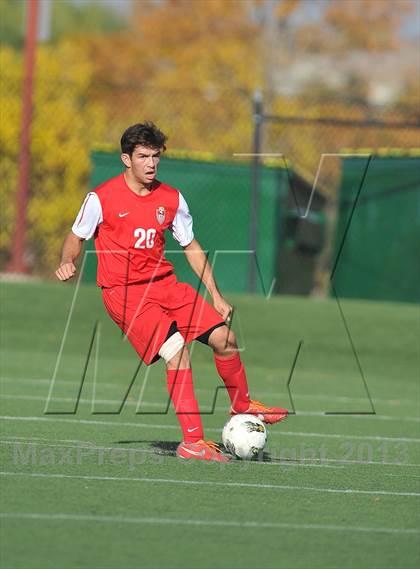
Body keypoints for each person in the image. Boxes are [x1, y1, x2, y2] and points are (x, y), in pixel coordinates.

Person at [55, 122, 288, 462]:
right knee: (177, 351)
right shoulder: (101, 198)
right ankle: (192, 442)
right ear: (125, 159)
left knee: (226, 339)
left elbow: (191, 246)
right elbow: (76, 237)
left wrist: (216, 295)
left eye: (156, 156)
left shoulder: (171, 198)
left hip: (165, 285)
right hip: (125, 294)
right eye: (143, 156)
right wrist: (67, 260)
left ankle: (242, 406)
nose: (151, 163)